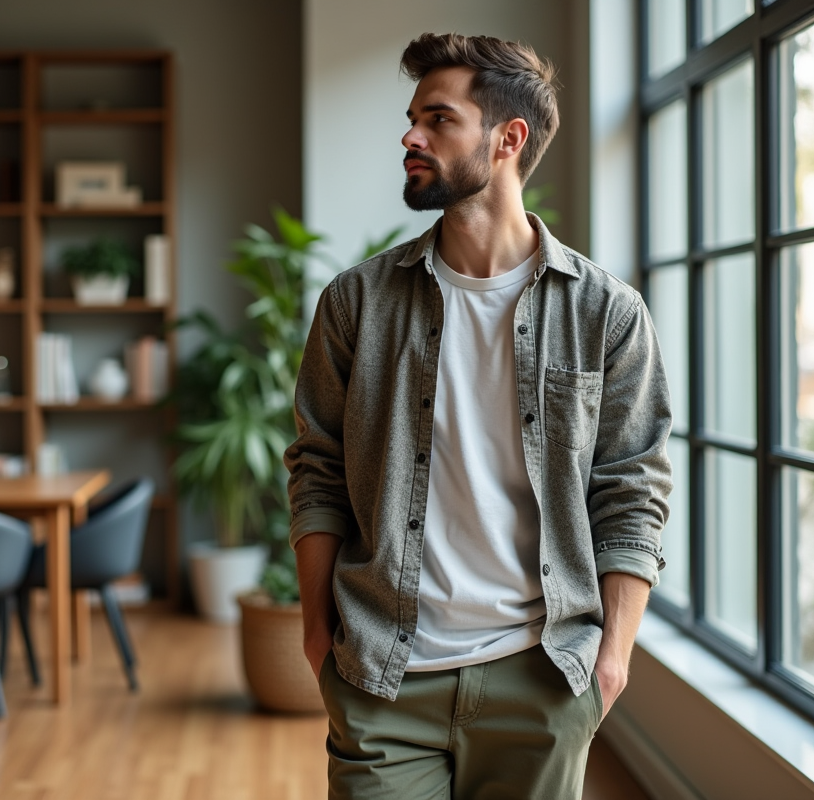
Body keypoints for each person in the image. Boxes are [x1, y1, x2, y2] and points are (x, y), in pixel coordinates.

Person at [284, 32, 673, 800]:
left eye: (437, 119)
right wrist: (317, 634)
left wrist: (612, 661)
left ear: (508, 138)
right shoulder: (357, 304)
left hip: (544, 678)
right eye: (411, 118)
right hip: (381, 676)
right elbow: (317, 470)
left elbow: (633, 489)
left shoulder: (607, 314)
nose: (410, 136)